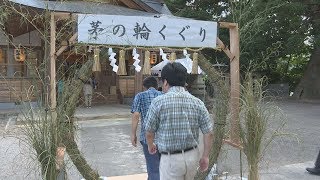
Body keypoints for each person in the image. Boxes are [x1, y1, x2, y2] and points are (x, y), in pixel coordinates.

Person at [145, 62, 214, 180]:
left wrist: (151, 145)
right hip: (192, 157)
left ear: (165, 81)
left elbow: (149, 131)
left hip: (171, 160)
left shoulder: (158, 103)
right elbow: (209, 133)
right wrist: (205, 156)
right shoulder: (197, 102)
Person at [131, 76, 162, 180]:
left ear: (144, 86)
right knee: (163, 167)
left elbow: (136, 115)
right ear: (157, 86)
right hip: (164, 138)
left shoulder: (140, 96)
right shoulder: (163, 95)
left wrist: (133, 134)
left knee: (153, 168)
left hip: (147, 137)